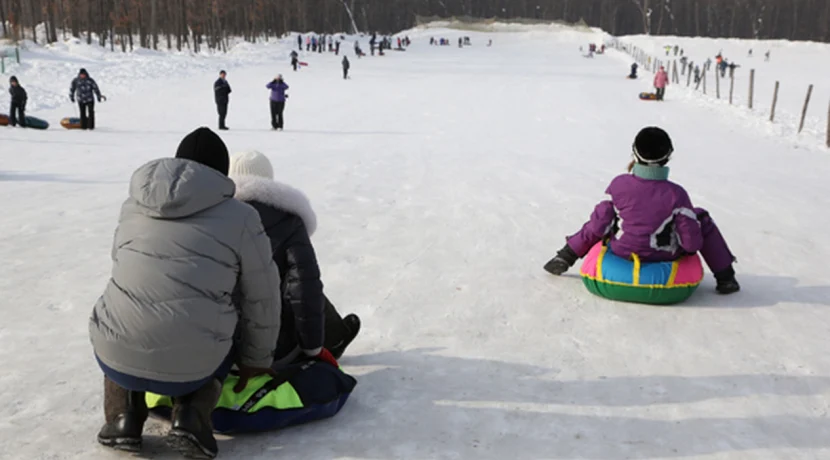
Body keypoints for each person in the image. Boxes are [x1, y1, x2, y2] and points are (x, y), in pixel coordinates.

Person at [89, 127, 282, 457]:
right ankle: (192, 418)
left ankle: (123, 418)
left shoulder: (133, 205)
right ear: (221, 174)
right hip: (194, 362)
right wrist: (255, 361)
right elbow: (262, 296)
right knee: (214, 321)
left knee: (126, 313)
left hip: (115, 352)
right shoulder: (242, 217)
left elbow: (120, 264)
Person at [543, 127, 740, 295]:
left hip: (622, 253)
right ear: (669, 156)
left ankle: (566, 255)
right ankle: (726, 278)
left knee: (605, 212)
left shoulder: (619, 184)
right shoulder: (676, 194)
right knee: (699, 217)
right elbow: (691, 244)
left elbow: (602, 223)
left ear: (634, 153)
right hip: (663, 257)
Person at [228, 151, 361, 367]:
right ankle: (335, 338)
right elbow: (304, 290)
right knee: (299, 279)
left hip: (215, 350)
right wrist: (313, 349)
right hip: (273, 350)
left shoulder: (209, 219)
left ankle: (335, 335)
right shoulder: (288, 220)